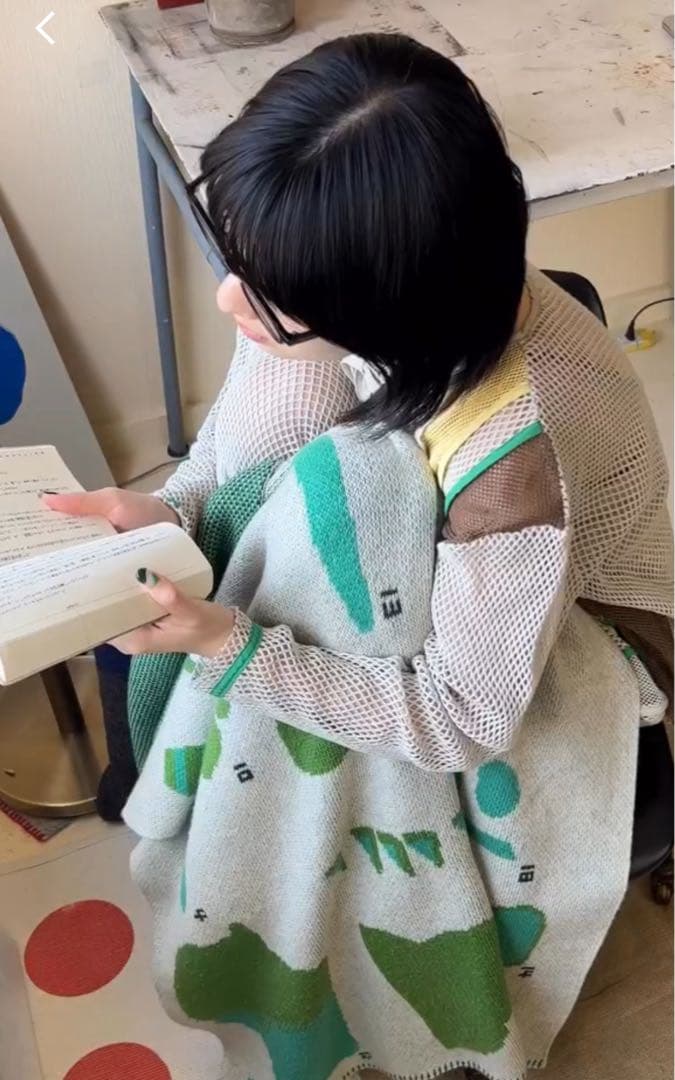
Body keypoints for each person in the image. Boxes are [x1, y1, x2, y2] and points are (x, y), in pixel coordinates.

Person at [45, 33, 672, 1080]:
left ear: (383, 312)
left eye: (268, 296)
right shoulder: (393, 296)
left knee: (347, 494)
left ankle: (304, 955)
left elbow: (463, 717)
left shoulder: (514, 466)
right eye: (238, 264)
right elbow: (235, 449)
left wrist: (237, 650)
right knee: (302, 440)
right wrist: (163, 513)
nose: (230, 302)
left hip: (587, 646)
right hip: (475, 578)